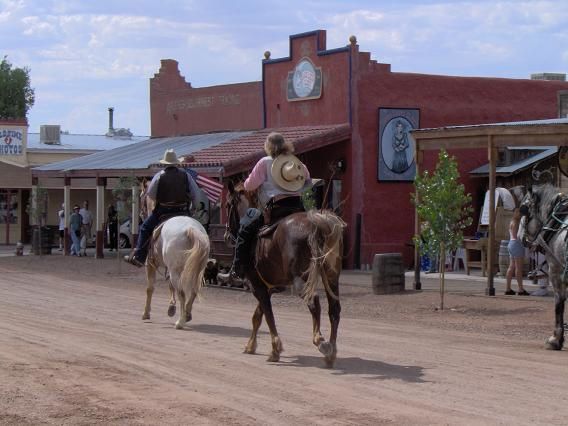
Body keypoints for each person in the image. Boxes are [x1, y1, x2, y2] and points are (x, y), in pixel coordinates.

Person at [219, 132, 310, 280]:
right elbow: (307, 183)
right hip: (298, 207)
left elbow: (249, 185)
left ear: (268, 146)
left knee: (244, 230)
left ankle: (236, 270)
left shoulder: (264, 162)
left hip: (275, 208)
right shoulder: (296, 162)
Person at [124, 148, 199, 267]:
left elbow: (151, 194)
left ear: (165, 163)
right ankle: (205, 257)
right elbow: (195, 194)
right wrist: (193, 208)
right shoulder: (186, 175)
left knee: (145, 228)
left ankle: (139, 257)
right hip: (183, 211)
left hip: (163, 211)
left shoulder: (159, 176)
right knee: (199, 230)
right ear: (176, 163)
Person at [505, 208, 529, 295]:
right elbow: (517, 236)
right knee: (518, 268)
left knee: (511, 267)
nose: (520, 214)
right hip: (516, 243)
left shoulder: (511, 222)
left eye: (520, 212)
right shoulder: (516, 223)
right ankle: (520, 289)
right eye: (518, 212)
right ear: (514, 213)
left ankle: (508, 288)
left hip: (511, 243)